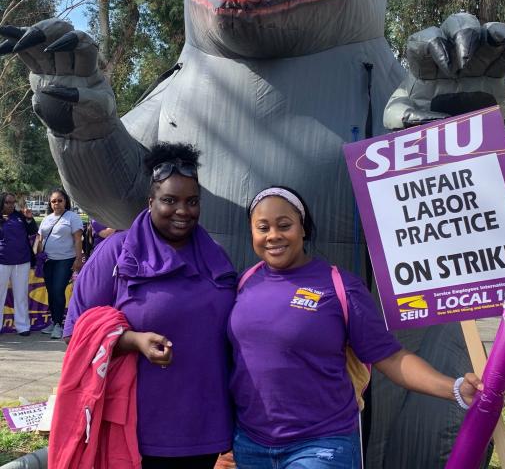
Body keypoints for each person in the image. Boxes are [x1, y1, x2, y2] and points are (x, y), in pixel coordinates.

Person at [229, 186, 482, 468]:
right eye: (262, 227)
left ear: (303, 228)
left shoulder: (340, 286)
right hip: (250, 445)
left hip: (320, 446)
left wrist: (454, 388)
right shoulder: (244, 283)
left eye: (284, 225)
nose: (273, 235)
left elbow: (390, 356)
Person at [62, 143, 237, 468]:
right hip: (135, 430)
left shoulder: (216, 258)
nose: (182, 211)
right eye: (170, 200)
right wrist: (132, 340)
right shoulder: (115, 253)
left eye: (192, 201)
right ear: (150, 201)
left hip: (204, 427)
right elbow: (77, 334)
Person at [36, 188, 84, 339]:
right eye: (53, 201)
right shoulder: (46, 218)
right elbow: (40, 238)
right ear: (50, 203)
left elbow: (78, 239)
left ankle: (59, 324)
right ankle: (54, 321)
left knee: (57, 290)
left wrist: (78, 259)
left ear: (65, 201)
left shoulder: (72, 217)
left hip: (65, 260)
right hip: (48, 260)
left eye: (60, 200)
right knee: (51, 292)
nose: (56, 203)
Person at [0, 193, 38, 336]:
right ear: (2, 203)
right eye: (7, 203)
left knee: (21, 294)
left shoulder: (20, 216)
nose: (11, 205)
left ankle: (22, 326)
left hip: (22, 261)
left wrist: (29, 219)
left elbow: (33, 231)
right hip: (2, 262)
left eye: (12, 203)